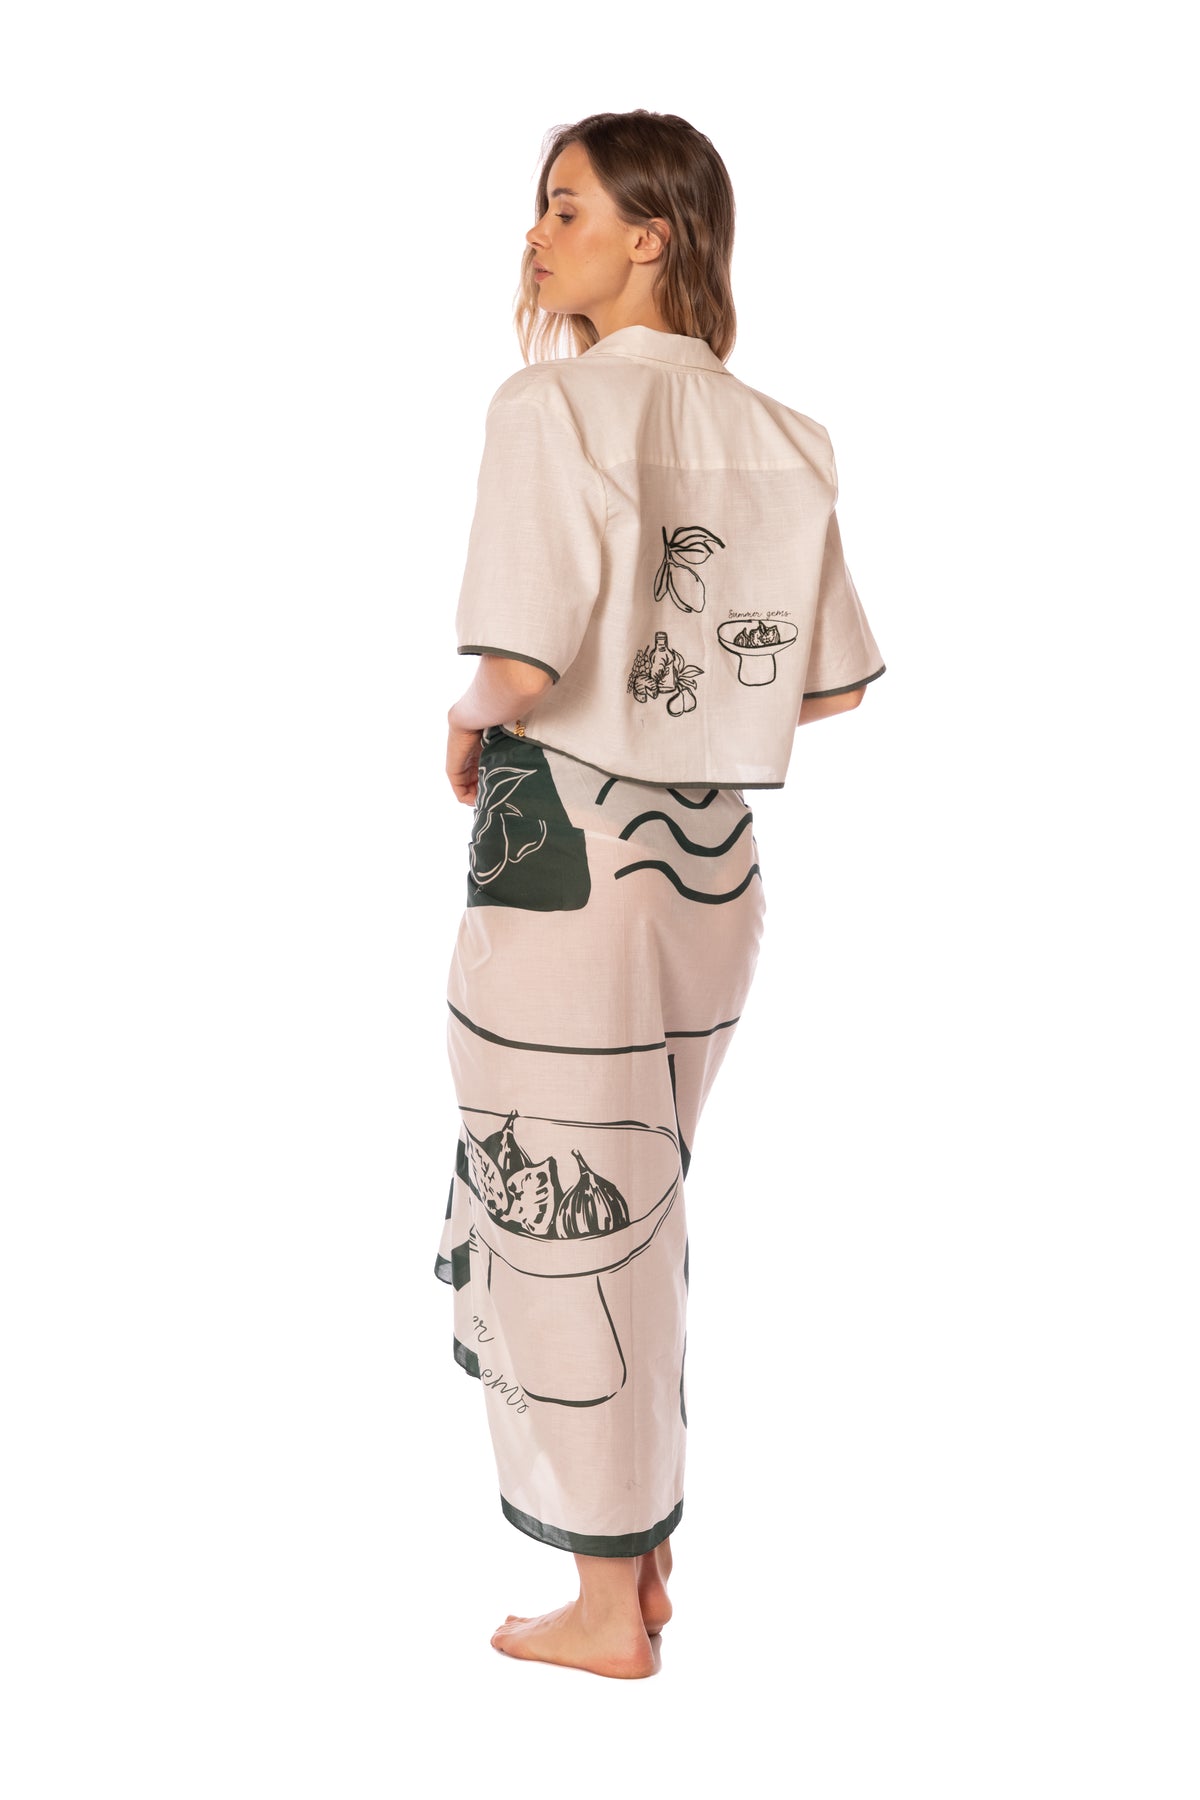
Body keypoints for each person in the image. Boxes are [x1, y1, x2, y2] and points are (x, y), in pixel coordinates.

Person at [435, 110, 884, 1680]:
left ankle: (604, 1605)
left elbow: (521, 658)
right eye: (538, 206)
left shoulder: (549, 406)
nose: (537, 234)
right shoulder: (782, 434)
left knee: (566, 1215)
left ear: (654, 234)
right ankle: (645, 1558)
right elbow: (829, 689)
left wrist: (468, 719)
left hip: (565, 869)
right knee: (639, 1203)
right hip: (711, 880)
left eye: (569, 207)